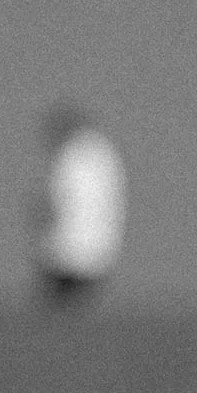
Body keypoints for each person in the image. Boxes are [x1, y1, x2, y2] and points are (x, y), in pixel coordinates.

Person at [30, 103, 126, 304]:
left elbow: (57, 200)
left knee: (65, 304)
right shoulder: (101, 154)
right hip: (96, 253)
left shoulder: (73, 156)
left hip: (70, 253)